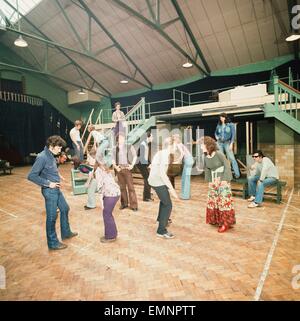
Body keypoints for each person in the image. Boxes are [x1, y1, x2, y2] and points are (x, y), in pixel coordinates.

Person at [27, 136, 78, 250]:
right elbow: (31, 176)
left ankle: (66, 233)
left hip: (56, 189)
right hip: (49, 190)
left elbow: (51, 170)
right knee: (51, 217)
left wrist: (58, 177)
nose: (60, 150)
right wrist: (48, 183)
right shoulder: (42, 157)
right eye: (59, 148)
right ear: (51, 146)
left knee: (65, 208)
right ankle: (53, 243)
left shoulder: (51, 155)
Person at [200, 136, 236, 233]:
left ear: (208, 145)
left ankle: (225, 223)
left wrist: (224, 179)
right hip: (213, 181)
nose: (200, 147)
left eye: (202, 144)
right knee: (214, 201)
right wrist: (210, 181)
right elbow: (207, 169)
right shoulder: (206, 156)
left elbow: (227, 166)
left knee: (224, 202)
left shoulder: (219, 154)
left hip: (222, 180)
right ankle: (217, 220)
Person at [148, 137, 179, 239]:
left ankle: (160, 219)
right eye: (175, 145)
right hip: (157, 181)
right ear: (170, 145)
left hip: (153, 180)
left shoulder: (160, 153)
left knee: (164, 200)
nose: (176, 148)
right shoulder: (165, 155)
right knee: (168, 204)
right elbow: (162, 174)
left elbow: (152, 166)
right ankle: (161, 231)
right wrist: (172, 189)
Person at [94, 160, 121, 243]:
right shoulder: (106, 169)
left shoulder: (98, 170)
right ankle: (112, 233)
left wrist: (101, 201)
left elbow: (100, 187)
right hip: (115, 193)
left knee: (107, 214)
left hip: (110, 194)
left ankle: (110, 236)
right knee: (108, 214)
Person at [112, 132, 138, 211]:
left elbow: (135, 156)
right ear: (117, 139)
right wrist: (116, 168)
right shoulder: (115, 148)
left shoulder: (129, 146)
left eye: (122, 138)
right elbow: (112, 159)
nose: (121, 139)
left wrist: (132, 165)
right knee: (122, 188)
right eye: (119, 138)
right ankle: (124, 204)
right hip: (119, 170)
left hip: (127, 169)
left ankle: (134, 205)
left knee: (131, 188)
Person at [215, 113, 240, 179]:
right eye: (220, 117)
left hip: (227, 143)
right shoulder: (219, 125)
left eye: (222, 117)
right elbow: (216, 133)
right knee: (221, 159)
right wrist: (217, 137)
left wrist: (231, 143)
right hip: (219, 143)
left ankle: (237, 174)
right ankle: (223, 174)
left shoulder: (231, 125)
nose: (221, 119)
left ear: (225, 117)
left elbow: (233, 135)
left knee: (232, 158)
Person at [173, 134, 194, 200]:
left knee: (186, 178)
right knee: (184, 178)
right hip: (188, 160)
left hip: (188, 161)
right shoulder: (179, 144)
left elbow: (182, 153)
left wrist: (177, 161)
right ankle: (185, 194)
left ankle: (185, 196)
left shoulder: (178, 144)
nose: (174, 139)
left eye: (175, 138)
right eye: (174, 138)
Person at [136, 131, 153, 202]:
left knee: (148, 179)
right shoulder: (143, 144)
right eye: (152, 136)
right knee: (147, 179)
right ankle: (146, 197)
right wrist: (148, 164)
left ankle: (147, 194)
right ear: (148, 137)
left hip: (143, 163)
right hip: (140, 163)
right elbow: (142, 157)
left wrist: (150, 163)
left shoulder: (146, 144)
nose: (152, 138)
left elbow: (146, 157)